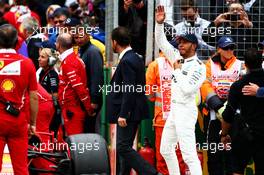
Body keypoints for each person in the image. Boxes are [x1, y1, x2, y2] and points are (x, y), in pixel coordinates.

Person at [155, 5, 206, 175]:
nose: (180, 45)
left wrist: (176, 71)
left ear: (194, 45)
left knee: (189, 155)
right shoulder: (177, 57)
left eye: (184, 42)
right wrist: (159, 24)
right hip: (174, 110)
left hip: (186, 110)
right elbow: (161, 42)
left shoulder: (199, 67)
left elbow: (187, 88)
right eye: (179, 42)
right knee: (166, 150)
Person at [106, 26, 161, 175]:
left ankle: (152, 173)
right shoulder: (135, 57)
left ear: (115, 42)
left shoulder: (127, 61)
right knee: (126, 147)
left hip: (129, 112)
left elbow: (129, 89)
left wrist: (124, 113)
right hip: (133, 110)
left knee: (123, 147)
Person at [200, 36, 243, 175]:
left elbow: (242, 87)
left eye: (232, 47)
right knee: (213, 153)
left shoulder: (239, 65)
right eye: (226, 48)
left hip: (232, 112)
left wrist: (229, 106)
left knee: (232, 152)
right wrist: (217, 105)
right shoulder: (209, 64)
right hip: (213, 113)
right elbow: (205, 85)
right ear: (219, 49)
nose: (229, 50)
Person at [0, 24, 38, 175]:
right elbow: (34, 97)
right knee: (21, 168)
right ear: (17, 42)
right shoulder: (27, 63)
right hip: (18, 120)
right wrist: (33, 123)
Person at [221, 48, 264, 175]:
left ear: (245, 64)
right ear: (261, 62)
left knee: (237, 169)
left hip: (244, 134)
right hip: (262, 134)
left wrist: (224, 134)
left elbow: (228, 114)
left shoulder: (238, 85)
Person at [56, 33, 94, 136]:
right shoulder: (71, 59)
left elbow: (79, 87)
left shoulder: (69, 61)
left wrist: (88, 108)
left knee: (75, 144)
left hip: (72, 109)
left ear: (58, 45)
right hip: (70, 108)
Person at [74, 24, 104, 133]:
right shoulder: (82, 51)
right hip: (85, 100)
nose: (78, 40)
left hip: (91, 100)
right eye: (76, 37)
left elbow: (97, 77)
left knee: (90, 131)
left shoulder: (93, 52)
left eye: (81, 36)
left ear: (88, 35)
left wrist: (94, 100)